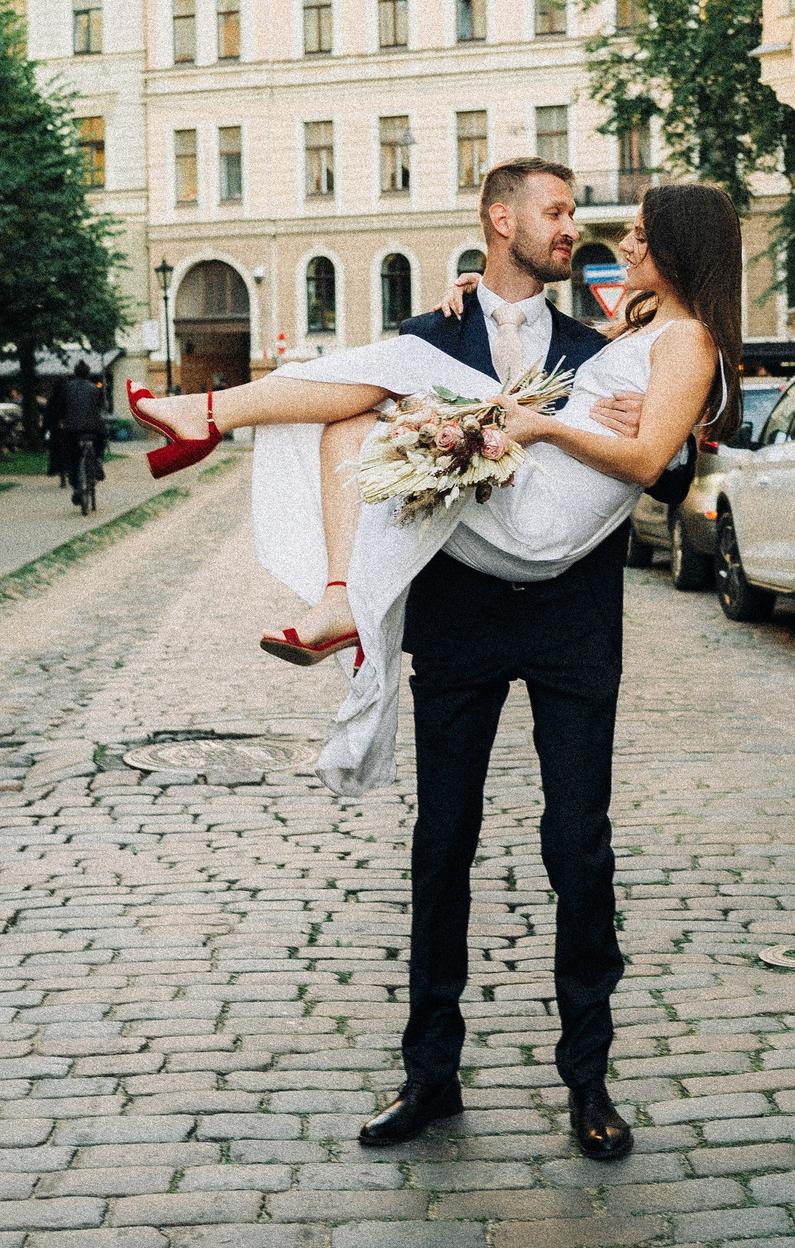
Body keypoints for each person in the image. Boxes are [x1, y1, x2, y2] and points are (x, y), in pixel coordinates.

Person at [129, 166, 743, 1163]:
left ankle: (589, 1080)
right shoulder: (448, 324)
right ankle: (430, 1075)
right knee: (441, 844)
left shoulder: (610, 343)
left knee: (576, 848)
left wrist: (616, 433)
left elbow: (672, 453)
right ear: (499, 225)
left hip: (569, 619)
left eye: (621, 228)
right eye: (561, 213)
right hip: (462, 616)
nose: (588, 233)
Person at [44, 362, 104, 504]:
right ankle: (97, 462)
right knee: (102, 438)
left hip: (72, 428)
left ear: (75, 373)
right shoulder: (95, 389)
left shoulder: (66, 388)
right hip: (92, 428)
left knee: (73, 455)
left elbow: (60, 408)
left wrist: (62, 420)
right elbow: (99, 407)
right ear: (88, 374)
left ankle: (76, 485)